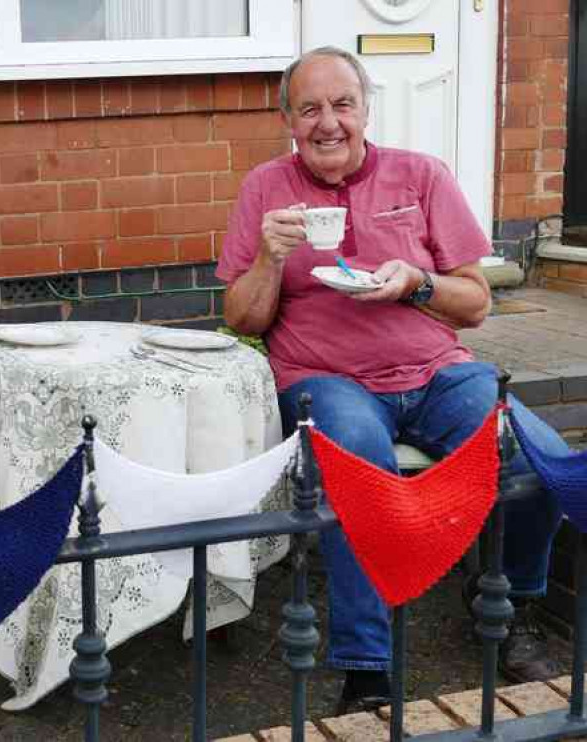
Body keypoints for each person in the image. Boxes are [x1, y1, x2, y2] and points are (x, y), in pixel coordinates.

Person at [217, 46, 564, 714]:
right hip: (325, 377)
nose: (328, 122)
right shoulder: (265, 188)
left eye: (342, 104)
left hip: (436, 372)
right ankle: (365, 662)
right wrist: (267, 256)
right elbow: (243, 317)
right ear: (288, 119)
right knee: (361, 474)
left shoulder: (421, 176)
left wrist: (417, 283)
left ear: (365, 109)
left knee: (536, 457)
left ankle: (507, 599)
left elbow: (475, 304)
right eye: (309, 108)